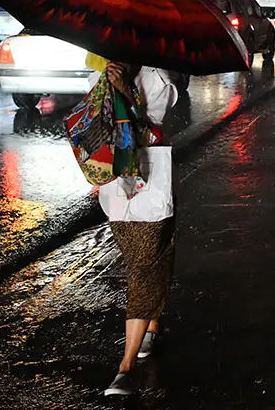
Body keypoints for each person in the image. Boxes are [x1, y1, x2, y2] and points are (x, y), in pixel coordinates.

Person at [92, 61, 179, 397]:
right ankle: (152, 322)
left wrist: (126, 93)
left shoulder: (157, 79)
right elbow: (93, 126)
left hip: (149, 179)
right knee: (143, 262)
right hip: (116, 185)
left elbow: (151, 130)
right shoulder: (102, 72)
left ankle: (125, 368)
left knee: (142, 268)